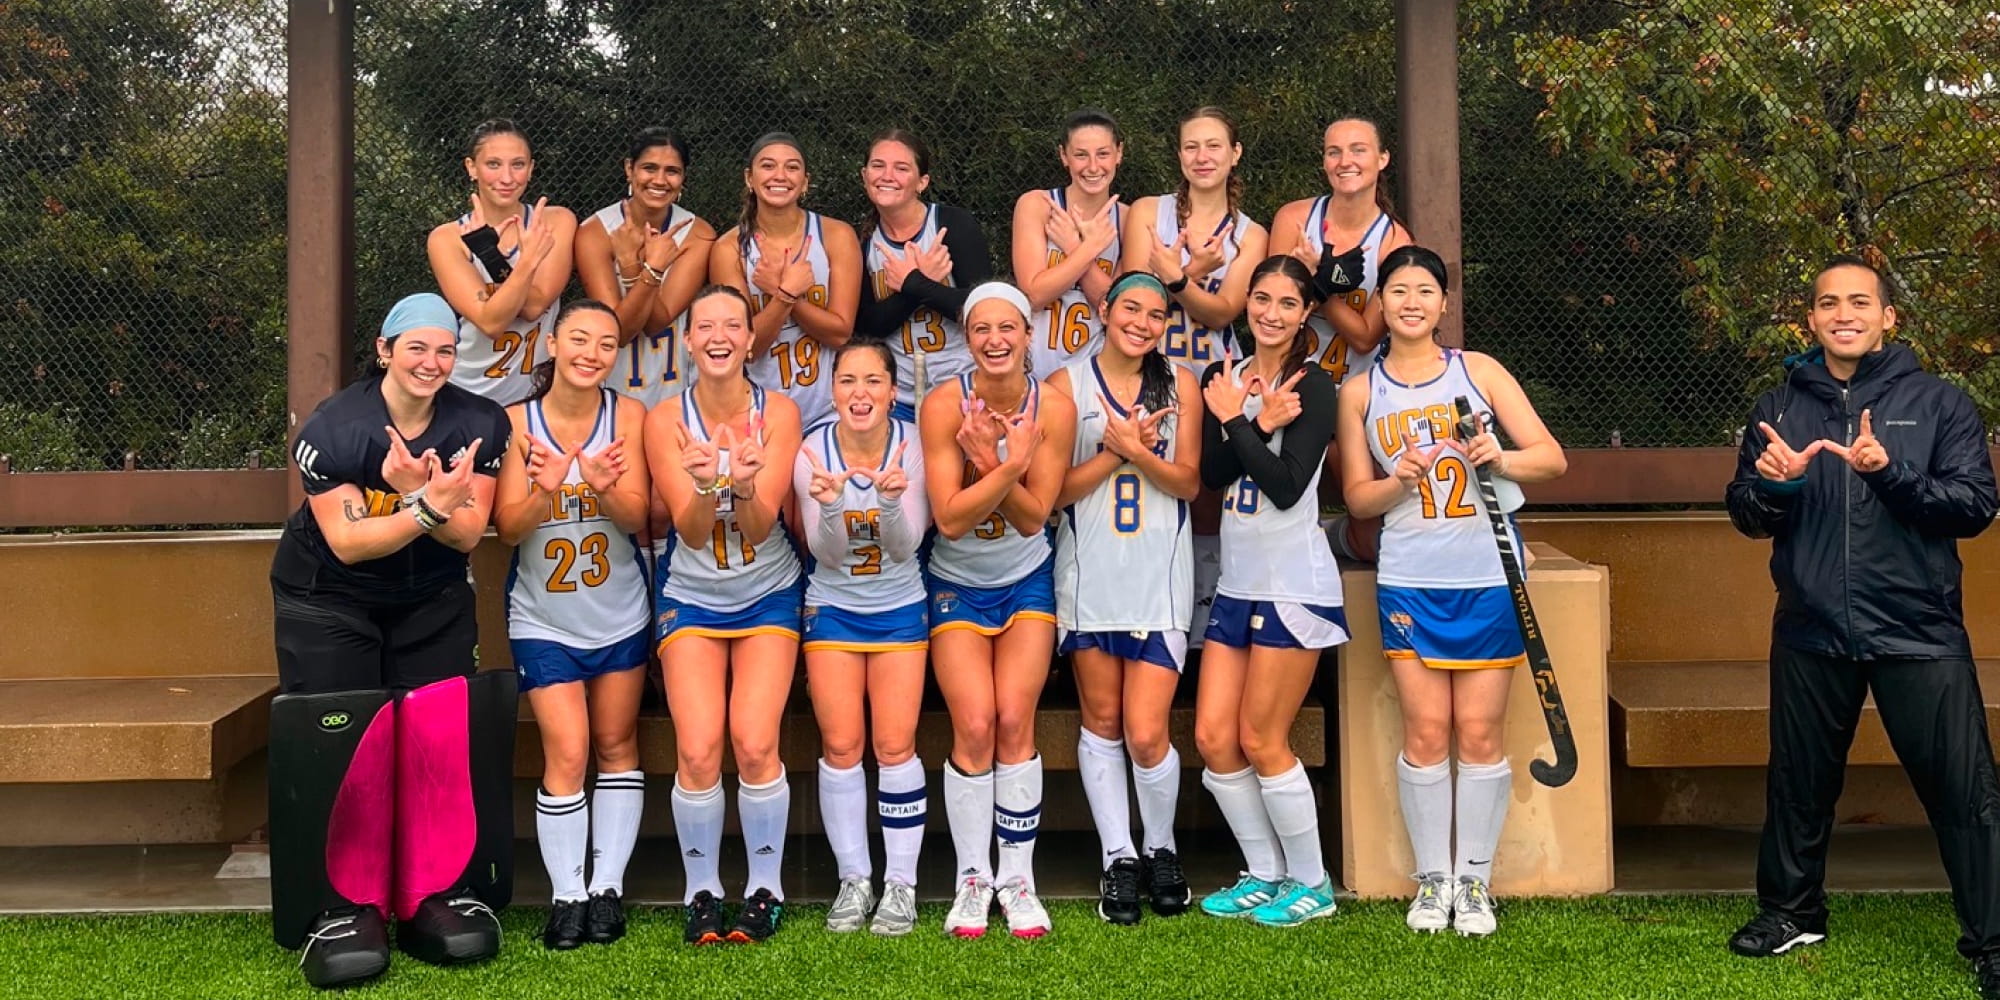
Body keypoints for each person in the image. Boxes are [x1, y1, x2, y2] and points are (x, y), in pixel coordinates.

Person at [1723, 255, 2000, 1000]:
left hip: (1919, 630)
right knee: (1799, 784)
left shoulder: (1940, 404)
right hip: (1811, 630)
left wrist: (1888, 472)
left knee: (1964, 789)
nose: (1843, 313)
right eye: (1827, 303)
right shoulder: (1778, 407)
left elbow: (1974, 507)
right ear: (1811, 320)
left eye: (1859, 302)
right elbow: (1747, 513)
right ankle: (1790, 912)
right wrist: (1775, 486)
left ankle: (1993, 940)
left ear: (1887, 318)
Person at [267, 293, 513, 989]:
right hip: (328, 599)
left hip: (429, 596)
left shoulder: (479, 423)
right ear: (384, 350)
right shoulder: (336, 428)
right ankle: (341, 905)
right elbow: (346, 543)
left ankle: (432, 891)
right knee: (345, 738)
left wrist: (429, 504)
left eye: (443, 350)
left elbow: (469, 535)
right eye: (416, 348)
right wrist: (427, 503)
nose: (430, 362)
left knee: (432, 737)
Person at [1337, 246, 1566, 937]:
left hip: (1489, 575)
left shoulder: (1480, 372)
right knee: (1427, 732)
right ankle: (1432, 880)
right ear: (1380, 303)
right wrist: (1398, 479)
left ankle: (1475, 881)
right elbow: (1356, 499)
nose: (1411, 301)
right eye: (1397, 290)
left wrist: (1500, 455)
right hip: (1412, 577)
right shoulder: (1359, 391)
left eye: (1425, 290)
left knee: (1479, 732)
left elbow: (1552, 459)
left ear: (1443, 304)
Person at [642, 285, 805, 945]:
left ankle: (766, 886)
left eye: (731, 325)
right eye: (704, 325)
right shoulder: (664, 419)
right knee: (700, 747)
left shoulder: (781, 413)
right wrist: (711, 482)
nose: (718, 336)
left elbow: (764, 525)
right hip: (694, 593)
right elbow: (686, 528)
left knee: (755, 741)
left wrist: (740, 481)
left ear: (748, 338)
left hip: (767, 591)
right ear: (687, 340)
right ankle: (701, 889)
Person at [491, 301, 652, 950]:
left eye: (606, 343)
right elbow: (508, 527)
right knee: (568, 750)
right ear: (553, 342)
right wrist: (549, 488)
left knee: (616, 746)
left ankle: (607, 889)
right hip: (544, 618)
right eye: (579, 338)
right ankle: (567, 895)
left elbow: (637, 515)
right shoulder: (516, 423)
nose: (591, 352)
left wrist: (601, 485)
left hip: (618, 613)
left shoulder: (629, 415)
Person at [920, 282, 1077, 939]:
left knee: (1016, 720)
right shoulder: (940, 404)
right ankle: (971, 878)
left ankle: (1017, 878)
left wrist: (991, 464)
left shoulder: (1056, 409)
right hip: (956, 579)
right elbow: (951, 520)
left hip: (1024, 579)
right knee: (976, 724)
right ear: (967, 337)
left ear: (1026, 335)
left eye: (1006, 328)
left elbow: (1038, 516)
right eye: (980, 329)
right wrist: (1004, 466)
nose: (994, 341)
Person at [1192, 255, 1343, 928]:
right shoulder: (1222, 378)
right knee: (1214, 737)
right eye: (1261, 298)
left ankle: (1313, 883)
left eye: (1287, 302)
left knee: (1261, 737)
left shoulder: (1317, 386)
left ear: (1306, 312)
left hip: (1292, 585)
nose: (1272, 313)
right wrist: (1244, 416)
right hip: (1237, 584)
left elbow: (1285, 488)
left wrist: (1241, 421)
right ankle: (1264, 872)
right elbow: (1214, 474)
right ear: (1246, 303)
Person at [1049, 272, 1202, 925]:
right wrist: (1117, 456)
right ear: (1104, 311)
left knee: (1146, 731)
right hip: (1089, 574)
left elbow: (1189, 482)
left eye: (1156, 314)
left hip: (1158, 576)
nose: (1142, 322)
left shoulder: (1181, 383)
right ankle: (1119, 857)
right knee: (1103, 721)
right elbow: (1053, 491)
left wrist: (1136, 450)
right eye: (1130, 308)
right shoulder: (1066, 385)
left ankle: (1160, 847)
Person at [792, 341, 932, 936]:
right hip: (834, 606)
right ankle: (854, 880)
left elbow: (907, 546)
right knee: (843, 745)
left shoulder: (913, 443)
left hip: (899, 604)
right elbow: (823, 553)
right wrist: (828, 508)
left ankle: (901, 884)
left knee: (895, 746)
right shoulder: (810, 451)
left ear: (892, 390)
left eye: (873, 381)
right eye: (847, 380)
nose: (860, 393)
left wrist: (893, 502)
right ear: (833, 390)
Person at [1120, 106, 1268, 647]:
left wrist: (1180, 277)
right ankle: (1137, 614)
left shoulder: (1253, 234)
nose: (1202, 157)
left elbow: (1226, 311)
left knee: (1207, 490)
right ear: (1178, 155)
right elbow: (1132, 296)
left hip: (1212, 373)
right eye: (1191, 147)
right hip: (1146, 368)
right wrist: (1183, 279)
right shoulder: (1146, 212)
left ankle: (1204, 624)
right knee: (1138, 482)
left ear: (1234, 155)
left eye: (1213, 146)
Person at [1270, 116, 1413, 556]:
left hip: (1356, 391)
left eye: (1358, 150)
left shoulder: (1393, 240)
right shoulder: (1295, 218)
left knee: (1370, 542)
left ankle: (1336, 537)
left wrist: (1319, 288)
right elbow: (1273, 307)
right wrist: (1311, 284)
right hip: (1290, 381)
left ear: (1382, 159)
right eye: (1334, 151)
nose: (1344, 160)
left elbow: (1367, 336)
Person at [710, 132, 861, 430]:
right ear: (749, 178)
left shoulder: (835, 235)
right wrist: (785, 294)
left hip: (828, 408)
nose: (780, 175)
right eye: (768, 166)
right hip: (759, 406)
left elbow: (840, 333)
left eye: (792, 167)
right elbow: (747, 350)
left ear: (805, 181)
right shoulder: (729, 249)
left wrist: (786, 294)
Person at [427, 119, 577, 405]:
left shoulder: (555, 222)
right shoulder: (447, 238)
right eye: (493, 164)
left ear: (531, 169)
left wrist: (493, 257)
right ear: (472, 168)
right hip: (466, 393)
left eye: (518, 165)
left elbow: (534, 307)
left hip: (535, 395)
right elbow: (490, 321)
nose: (507, 178)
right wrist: (509, 257)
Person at [854, 129, 994, 420]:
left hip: (962, 384)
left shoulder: (952, 224)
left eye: (901, 168)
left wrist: (913, 283)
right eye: (878, 166)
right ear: (864, 175)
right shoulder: (863, 240)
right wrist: (917, 286)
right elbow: (869, 325)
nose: (887, 175)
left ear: (922, 182)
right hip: (899, 393)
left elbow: (982, 306)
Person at [574, 126, 715, 411]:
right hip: (612, 391)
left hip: (676, 388)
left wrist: (632, 267)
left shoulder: (697, 233)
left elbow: (655, 322)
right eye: (649, 168)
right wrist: (649, 268)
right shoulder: (595, 232)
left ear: (683, 176)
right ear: (629, 169)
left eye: (672, 171)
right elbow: (619, 332)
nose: (660, 180)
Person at [1014, 110, 1124, 379]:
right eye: (1081, 154)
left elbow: (1118, 307)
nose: (1093, 166)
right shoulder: (1038, 205)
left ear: (1119, 153)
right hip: (1035, 366)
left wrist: (1074, 248)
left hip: (1095, 372)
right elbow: (1034, 295)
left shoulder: (1128, 218)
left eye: (1103, 153)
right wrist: (1088, 250)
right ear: (1064, 156)